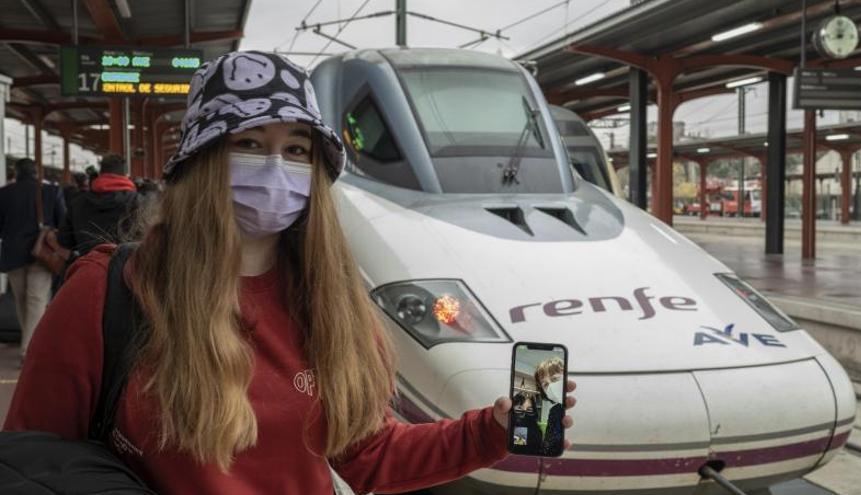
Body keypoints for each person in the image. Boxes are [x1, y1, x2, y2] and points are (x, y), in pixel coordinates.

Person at [4, 51, 576, 494]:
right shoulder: (108, 293)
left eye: (298, 150)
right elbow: (35, 462)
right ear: (200, 164)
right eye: (249, 144)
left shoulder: (331, 303)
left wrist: (492, 430)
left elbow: (367, 453)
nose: (277, 168)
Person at [0, 158, 66, 361]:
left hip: (13, 253)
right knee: (36, 300)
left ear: (16, 172)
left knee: (21, 300)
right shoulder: (50, 191)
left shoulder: (4, 193)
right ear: (37, 173)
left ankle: (28, 346)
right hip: (41, 252)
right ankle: (29, 350)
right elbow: (62, 220)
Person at [57, 155, 140, 257]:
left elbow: (64, 240)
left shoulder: (78, 202)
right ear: (126, 175)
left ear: (101, 174)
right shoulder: (138, 202)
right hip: (126, 269)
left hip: (88, 267)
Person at [535, 356, 566, 456]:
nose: (551, 387)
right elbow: (548, 441)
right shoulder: (553, 410)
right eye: (545, 384)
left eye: (555, 379)